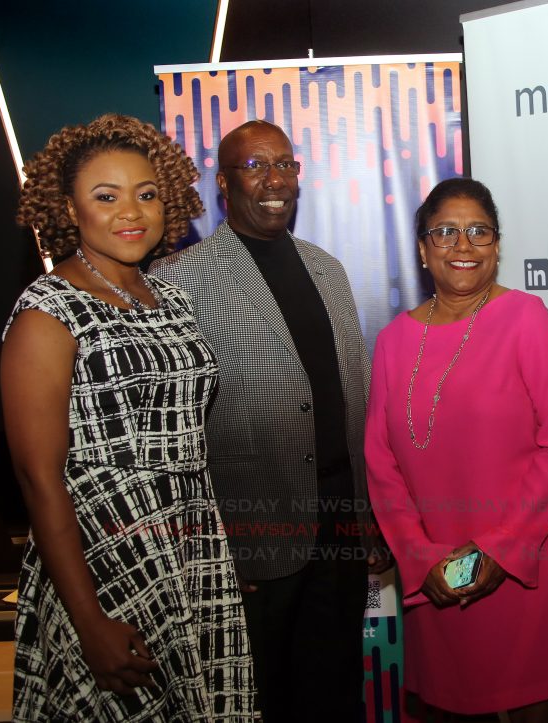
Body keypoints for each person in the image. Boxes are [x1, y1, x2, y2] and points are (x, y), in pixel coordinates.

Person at [1, 114, 253, 721]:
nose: (130, 211)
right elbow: (41, 481)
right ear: (68, 208)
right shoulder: (48, 312)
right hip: (103, 563)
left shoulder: (170, 299)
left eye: (146, 194)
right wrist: (89, 622)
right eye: (105, 197)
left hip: (191, 551)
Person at [149, 119, 385, 721]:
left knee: (334, 693)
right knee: (260, 701)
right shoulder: (181, 279)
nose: (275, 180)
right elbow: (172, 434)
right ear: (225, 184)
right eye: (256, 167)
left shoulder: (327, 268)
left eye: (285, 165)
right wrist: (210, 547)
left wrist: (368, 517)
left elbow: (352, 390)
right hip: (253, 534)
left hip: (339, 522)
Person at [365, 178, 548, 722]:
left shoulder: (526, 319)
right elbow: (382, 463)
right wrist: (421, 560)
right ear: (423, 249)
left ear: (497, 245)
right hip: (436, 573)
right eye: (445, 232)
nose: (462, 245)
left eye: (478, 231)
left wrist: (499, 549)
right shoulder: (393, 341)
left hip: (522, 563)